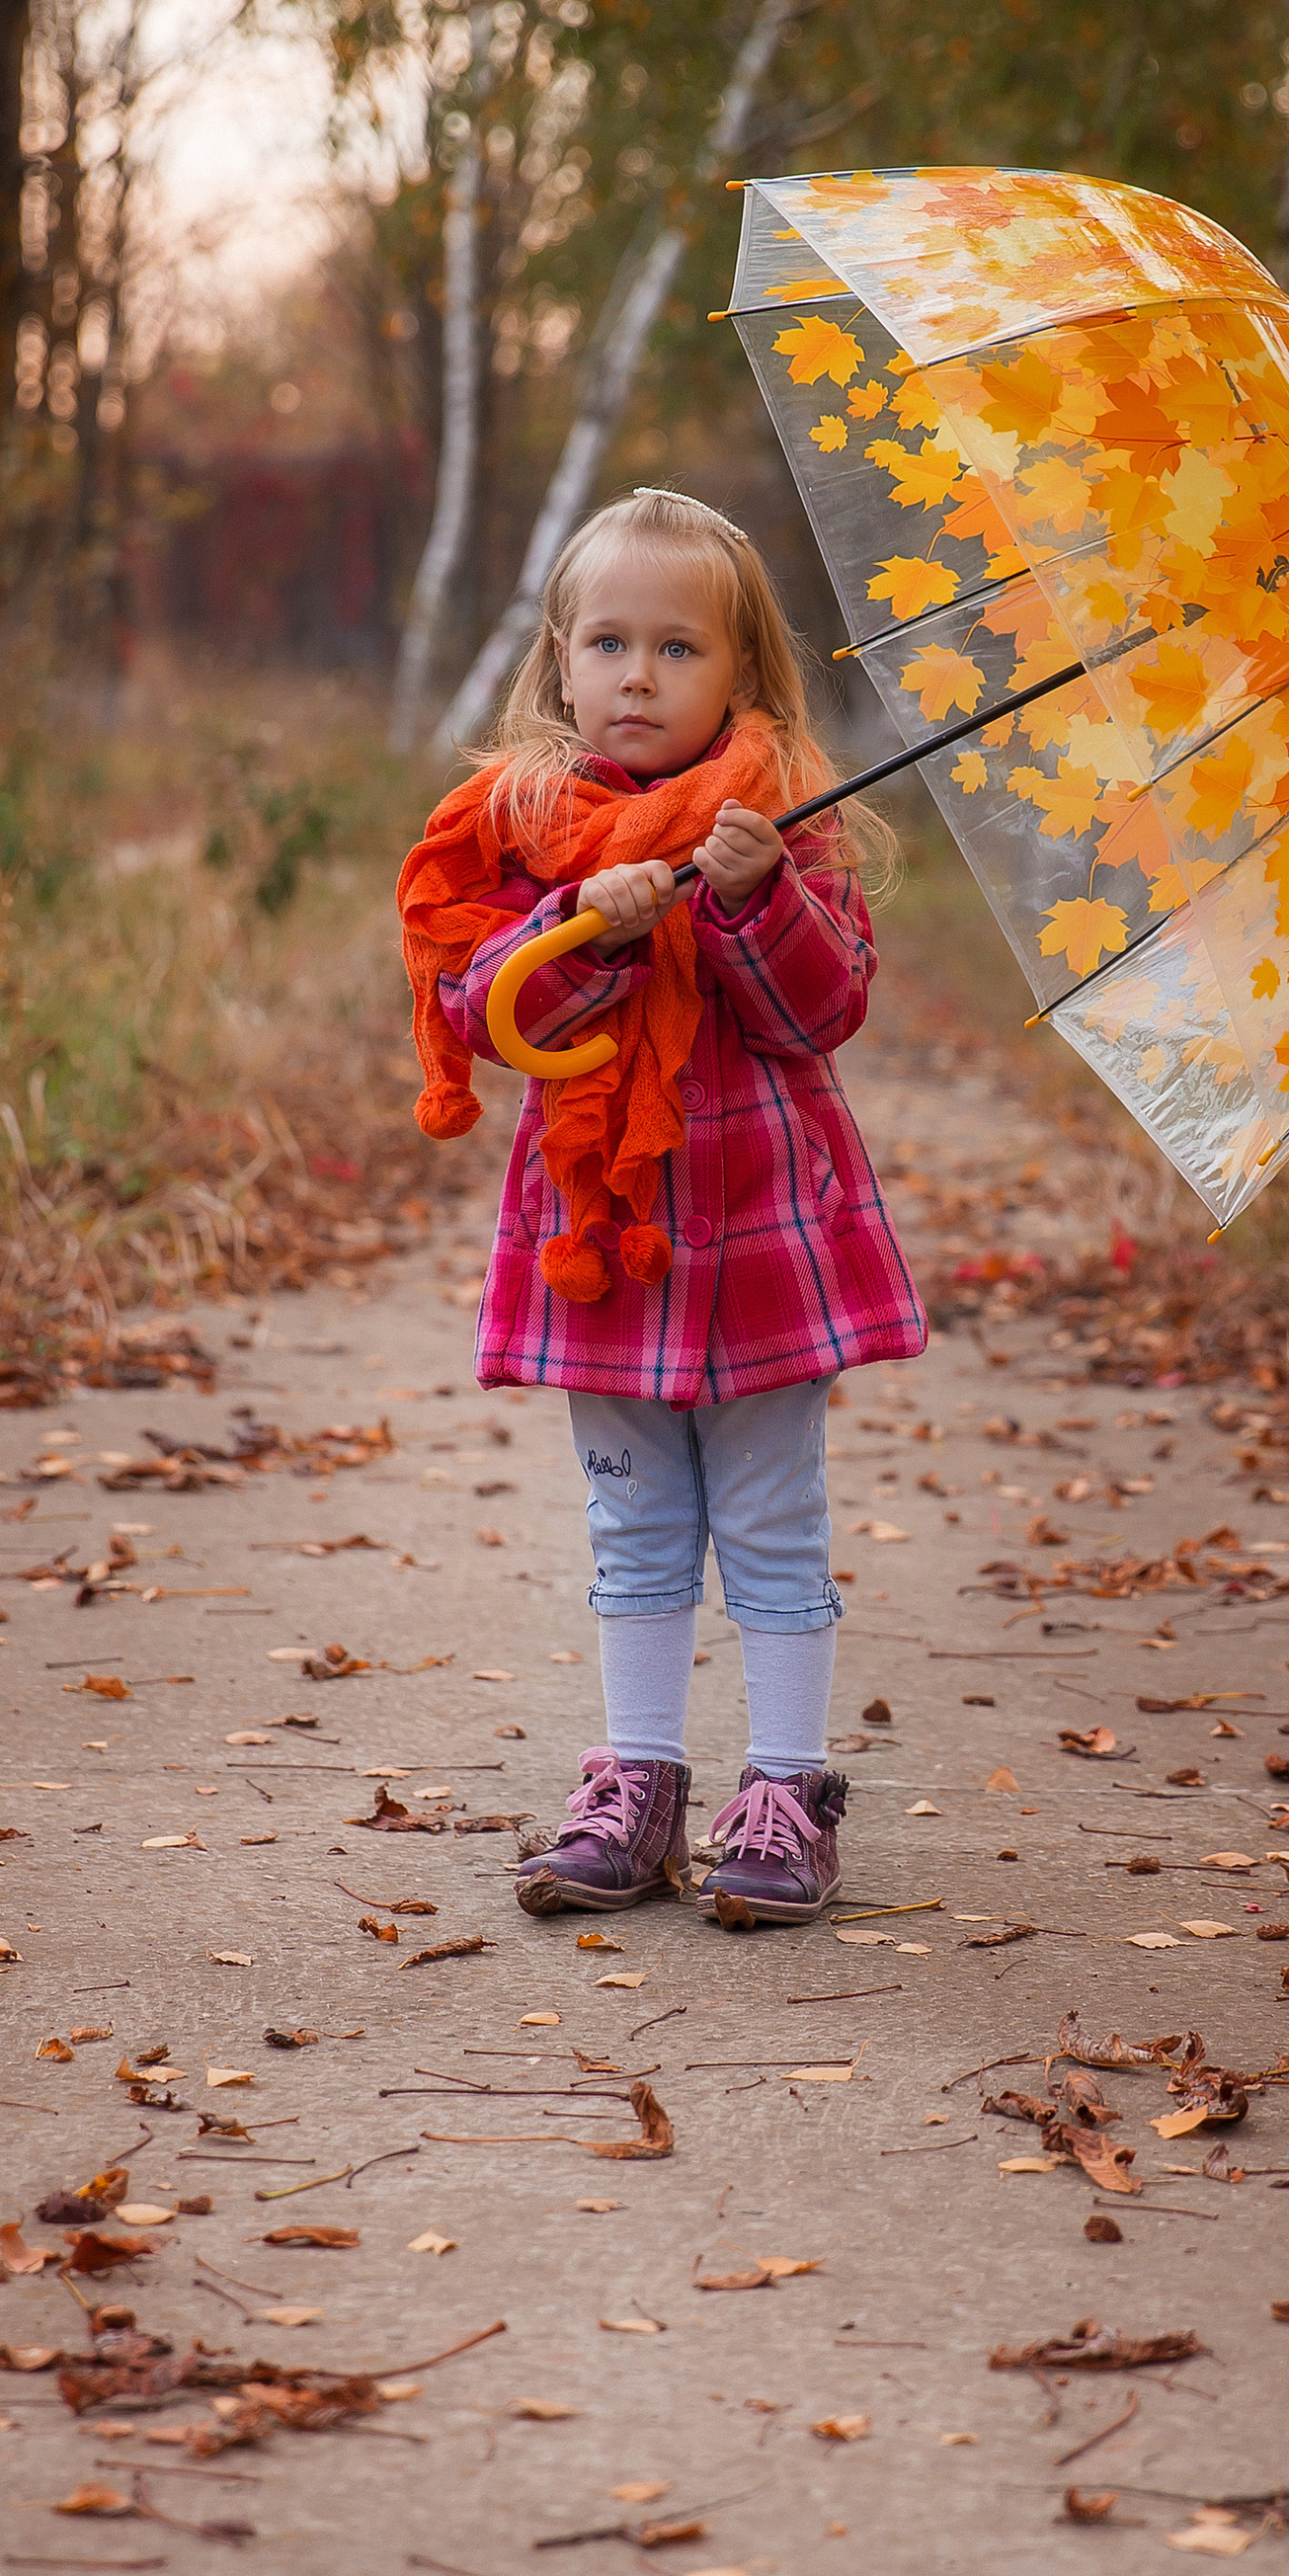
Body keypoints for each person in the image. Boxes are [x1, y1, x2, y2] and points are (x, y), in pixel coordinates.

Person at [398, 487, 926, 1927]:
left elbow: (823, 1014)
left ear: (739, 677)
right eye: (611, 642)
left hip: (759, 1232)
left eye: (680, 650)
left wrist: (752, 902)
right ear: (561, 661)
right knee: (632, 1522)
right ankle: (638, 1783)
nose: (640, 675)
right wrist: (587, 929)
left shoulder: (781, 825)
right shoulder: (522, 828)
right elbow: (489, 1009)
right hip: (604, 1243)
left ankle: (787, 1791)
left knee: (766, 1514)